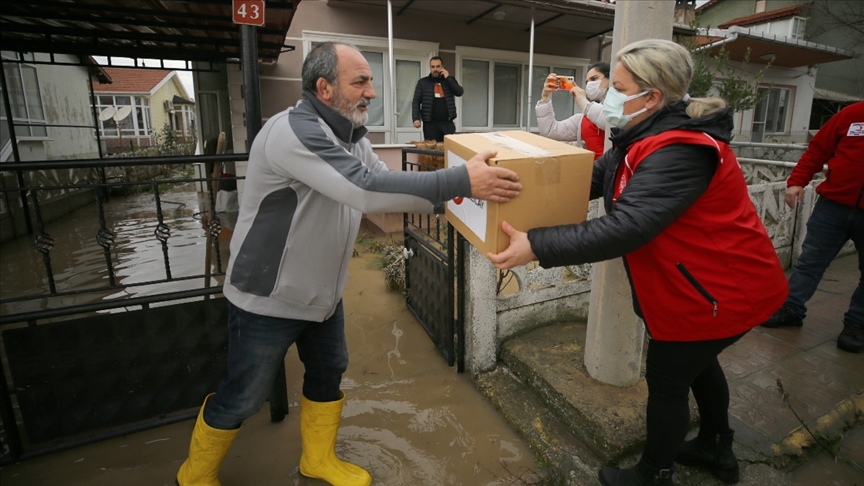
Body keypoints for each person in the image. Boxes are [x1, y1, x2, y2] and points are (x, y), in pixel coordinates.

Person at [175, 42, 522, 486]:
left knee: (328, 374)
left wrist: (459, 197)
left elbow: (385, 180)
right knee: (244, 395)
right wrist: (460, 180)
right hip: (268, 296)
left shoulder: (351, 136)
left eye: (370, 81)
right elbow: (364, 190)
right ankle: (194, 476)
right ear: (324, 88)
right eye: (360, 81)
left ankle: (317, 460)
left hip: (323, 292)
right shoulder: (293, 132)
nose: (372, 92)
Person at [488, 39, 788, 486]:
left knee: (668, 381)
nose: (606, 94)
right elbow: (589, 178)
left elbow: (627, 227)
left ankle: (654, 473)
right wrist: (513, 188)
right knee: (700, 366)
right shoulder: (640, 137)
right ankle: (716, 447)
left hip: (719, 291)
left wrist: (537, 244)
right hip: (699, 286)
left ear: (651, 97)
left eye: (618, 87)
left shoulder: (681, 149)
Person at [760, 101, 864, 353]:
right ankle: (792, 308)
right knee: (810, 261)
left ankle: (857, 323)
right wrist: (797, 181)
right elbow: (818, 150)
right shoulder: (852, 114)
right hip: (833, 206)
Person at [535, 61, 611, 160]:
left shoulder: (622, 108)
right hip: (595, 168)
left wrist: (583, 101)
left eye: (594, 79)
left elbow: (608, 120)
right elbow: (550, 131)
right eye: (587, 82)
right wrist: (545, 98)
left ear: (610, 79)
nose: (590, 84)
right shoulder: (582, 119)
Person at [412, 56, 463, 142]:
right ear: (430, 68)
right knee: (432, 148)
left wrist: (448, 78)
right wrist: (416, 118)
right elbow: (416, 101)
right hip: (430, 124)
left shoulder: (449, 80)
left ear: (442, 67)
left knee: (449, 147)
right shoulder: (423, 82)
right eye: (433, 67)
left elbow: (459, 92)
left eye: (438, 66)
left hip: (447, 123)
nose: (435, 69)